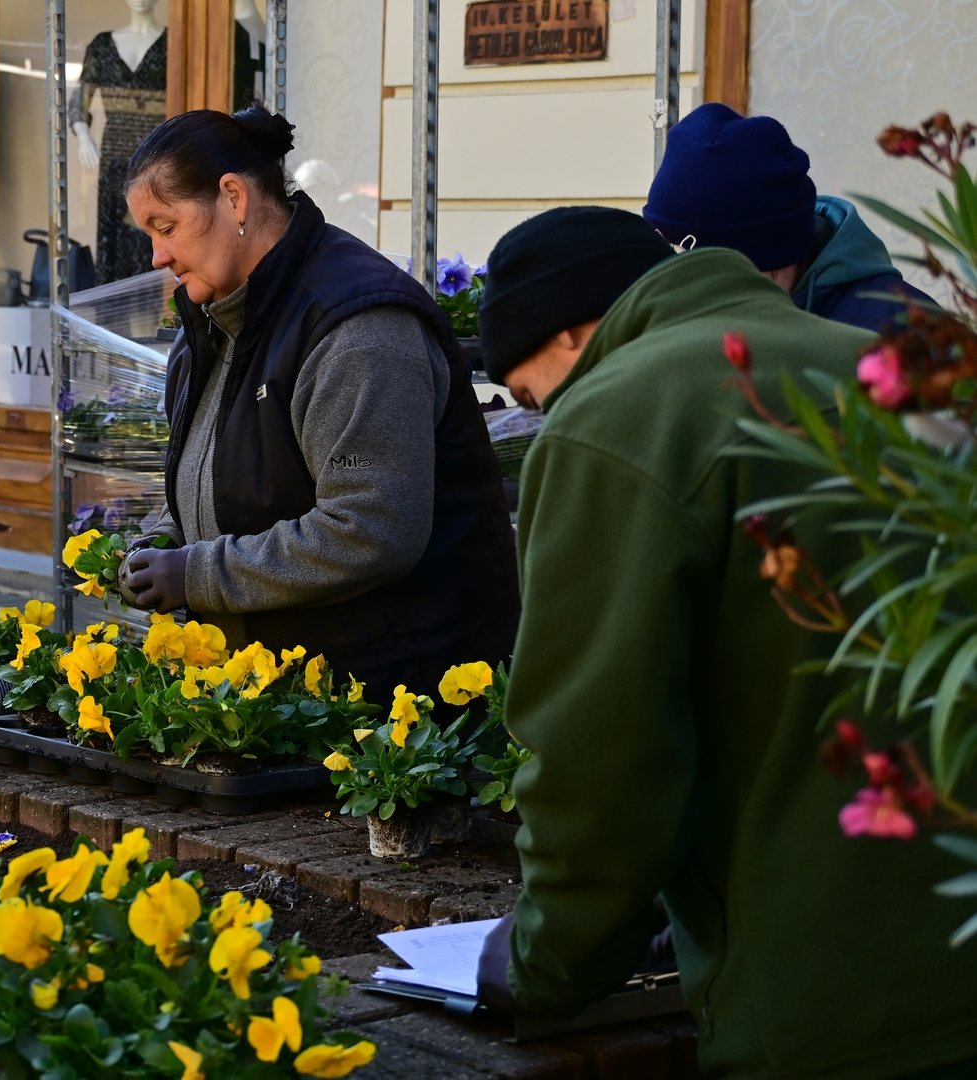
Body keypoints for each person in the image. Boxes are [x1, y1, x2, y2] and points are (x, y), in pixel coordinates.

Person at [471, 206, 977, 1077]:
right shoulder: (890, 372)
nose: (539, 414)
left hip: (822, 1003)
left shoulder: (613, 416)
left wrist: (545, 964)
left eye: (527, 394)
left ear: (571, 330)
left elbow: (599, 754)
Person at [119, 104, 519, 700]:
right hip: (290, 697)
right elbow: (227, 487)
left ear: (233, 198)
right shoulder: (209, 326)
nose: (156, 256)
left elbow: (369, 528)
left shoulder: (359, 327)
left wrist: (197, 573)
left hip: (396, 710)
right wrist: (167, 538)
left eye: (166, 226)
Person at [644, 102, 937, 334]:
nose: (683, 282)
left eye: (706, 264)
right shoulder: (679, 327)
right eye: (671, 254)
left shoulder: (907, 331)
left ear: (773, 253)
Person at [70, 0, 169, 284]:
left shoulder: (174, 42)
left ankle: (157, 318)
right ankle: (115, 316)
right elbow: (79, 101)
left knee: (152, 234)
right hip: (114, 157)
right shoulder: (102, 45)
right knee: (114, 240)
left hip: (157, 157)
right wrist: (84, 137)